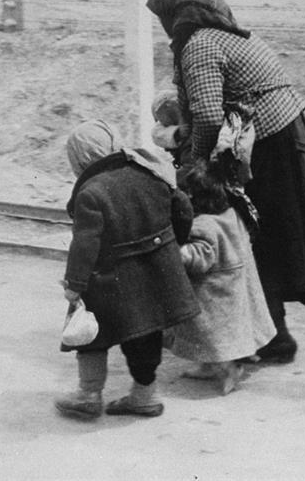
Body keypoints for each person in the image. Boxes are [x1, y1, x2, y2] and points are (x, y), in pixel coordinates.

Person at [146, 0, 305, 364]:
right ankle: (272, 334)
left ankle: (267, 337)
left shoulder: (198, 44)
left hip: (267, 148)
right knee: (268, 240)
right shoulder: (228, 35)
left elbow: (208, 117)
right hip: (282, 140)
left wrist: (194, 165)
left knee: (251, 238)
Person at [54, 119, 200, 420]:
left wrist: (74, 285)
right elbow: (182, 207)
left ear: (80, 160)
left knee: (91, 335)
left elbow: (84, 245)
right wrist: (172, 248)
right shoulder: (148, 170)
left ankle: (89, 394)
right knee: (146, 336)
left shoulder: (90, 193)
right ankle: (144, 396)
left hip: (108, 281)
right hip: (155, 274)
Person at [165, 159, 276, 395]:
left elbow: (200, 257)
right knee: (215, 338)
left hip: (215, 294)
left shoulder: (202, 226)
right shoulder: (230, 212)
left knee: (216, 337)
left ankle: (230, 370)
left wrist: (176, 252)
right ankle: (208, 366)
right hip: (234, 285)